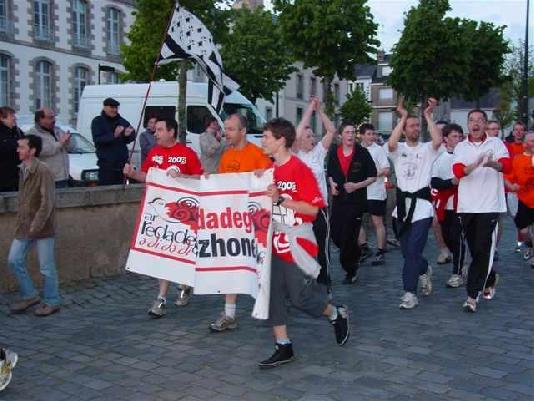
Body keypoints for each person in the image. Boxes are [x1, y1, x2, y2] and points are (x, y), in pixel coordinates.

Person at [258, 117, 349, 368]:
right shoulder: (270, 170)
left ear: (280, 140)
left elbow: (312, 210)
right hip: (276, 237)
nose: (262, 141)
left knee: (299, 298)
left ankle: (335, 313)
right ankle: (283, 346)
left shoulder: (299, 169)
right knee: (273, 293)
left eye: (266, 137)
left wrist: (281, 200)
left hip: (298, 238)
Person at [123, 118, 203, 318]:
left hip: (184, 216)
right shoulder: (154, 153)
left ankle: (185, 283)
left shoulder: (187, 153)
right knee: (163, 254)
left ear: (171, 131)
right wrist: (133, 174)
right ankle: (161, 298)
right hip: (161, 215)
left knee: (182, 253)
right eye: (155, 130)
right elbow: (146, 176)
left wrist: (182, 178)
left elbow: (200, 178)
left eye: (159, 130)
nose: (155, 133)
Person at [209, 114, 272, 332]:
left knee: (261, 264)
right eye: (225, 128)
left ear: (243, 131)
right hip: (233, 221)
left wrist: (263, 175)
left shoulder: (258, 154)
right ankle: (229, 314)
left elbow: (270, 183)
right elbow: (222, 187)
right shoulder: (226, 155)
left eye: (231, 129)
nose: (226, 133)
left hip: (254, 223)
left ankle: (278, 302)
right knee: (231, 263)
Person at [386, 98, 442, 310]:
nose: (416, 129)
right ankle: (424, 269)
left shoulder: (427, 149)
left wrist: (428, 115)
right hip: (401, 209)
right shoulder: (398, 149)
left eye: (417, 125)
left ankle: (409, 293)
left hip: (422, 209)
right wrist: (402, 117)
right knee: (408, 253)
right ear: (404, 130)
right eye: (411, 125)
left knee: (412, 251)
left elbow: (437, 140)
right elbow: (391, 144)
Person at [452, 109, 511, 312]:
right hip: (468, 206)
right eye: (471, 120)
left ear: (485, 124)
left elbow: (506, 165)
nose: (475, 123)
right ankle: (490, 275)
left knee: (482, 248)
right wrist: (477, 164)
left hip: (490, 205)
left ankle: (471, 296)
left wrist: (492, 163)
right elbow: (458, 171)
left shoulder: (495, 143)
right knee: (476, 250)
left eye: (479, 120)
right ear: (468, 124)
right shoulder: (461, 146)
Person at [8, 135, 61, 316]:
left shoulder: (43, 170)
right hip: (24, 225)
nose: (18, 150)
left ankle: (52, 301)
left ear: (32, 151)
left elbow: (47, 202)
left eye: (22, 147)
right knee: (14, 260)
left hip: (43, 227)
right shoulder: (22, 169)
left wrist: (35, 226)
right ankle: (30, 295)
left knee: (46, 266)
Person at [293, 96, 336, 288]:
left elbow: (331, 131)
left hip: (320, 209)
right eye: (308, 136)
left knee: (322, 245)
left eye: (313, 136)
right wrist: (309, 109)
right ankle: (304, 277)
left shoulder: (319, 152)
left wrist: (319, 110)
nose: (312, 139)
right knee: (302, 245)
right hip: (301, 210)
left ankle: (324, 281)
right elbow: (295, 135)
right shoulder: (296, 156)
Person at [327, 121, 377, 284]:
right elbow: (330, 173)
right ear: (341, 135)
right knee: (335, 235)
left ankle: (351, 270)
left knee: (348, 235)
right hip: (339, 200)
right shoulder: (334, 152)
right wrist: (332, 185)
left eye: (352, 132)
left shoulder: (362, 153)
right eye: (347, 132)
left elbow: (373, 176)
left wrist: (356, 185)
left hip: (356, 202)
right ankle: (356, 252)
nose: (350, 135)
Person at [431, 123, 465, 287]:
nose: (458, 139)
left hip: (463, 203)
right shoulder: (440, 158)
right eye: (454, 136)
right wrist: (451, 182)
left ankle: (457, 273)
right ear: (446, 139)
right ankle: (461, 262)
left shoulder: (466, 156)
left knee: (457, 238)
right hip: (445, 204)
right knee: (447, 237)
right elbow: (435, 182)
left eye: (460, 136)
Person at [358, 123, 391, 266]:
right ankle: (364, 248)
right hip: (360, 192)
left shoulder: (378, 150)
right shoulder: (357, 149)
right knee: (356, 221)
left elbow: (387, 170)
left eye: (373, 134)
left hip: (376, 192)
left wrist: (371, 175)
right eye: (369, 134)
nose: (372, 137)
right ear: (362, 135)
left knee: (377, 222)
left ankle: (380, 252)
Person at [91, 97, 136, 185]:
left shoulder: (122, 121)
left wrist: (127, 135)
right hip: (106, 166)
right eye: (112, 107)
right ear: (105, 107)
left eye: (116, 108)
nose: (114, 110)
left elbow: (132, 134)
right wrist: (114, 136)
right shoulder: (98, 121)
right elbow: (98, 139)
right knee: (107, 190)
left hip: (122, 165)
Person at [506, 132, 534, 267]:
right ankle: (529, 244)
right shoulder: (518, 159)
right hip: (524, 200)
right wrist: (512, 186)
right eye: (532, 141)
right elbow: (507, 177)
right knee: (524, 231)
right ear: (525, 144)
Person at [26, 108, 70, 188]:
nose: (54, 120)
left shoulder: (58, 130)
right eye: (50, 117)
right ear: (41, 119)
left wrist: (67, 141)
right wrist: (60, 143)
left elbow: (67, 147)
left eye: (54, 117)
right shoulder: (32, 134)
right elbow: (43, 150)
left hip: (63, 177)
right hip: (46, 179)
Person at [0, 106, 24, 192]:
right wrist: (17, 143)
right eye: (11, 116)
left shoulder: (17, 131)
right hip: (4, 179)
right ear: (2, 118)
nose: (14, 118)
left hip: (18, 177)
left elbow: (26, 142)